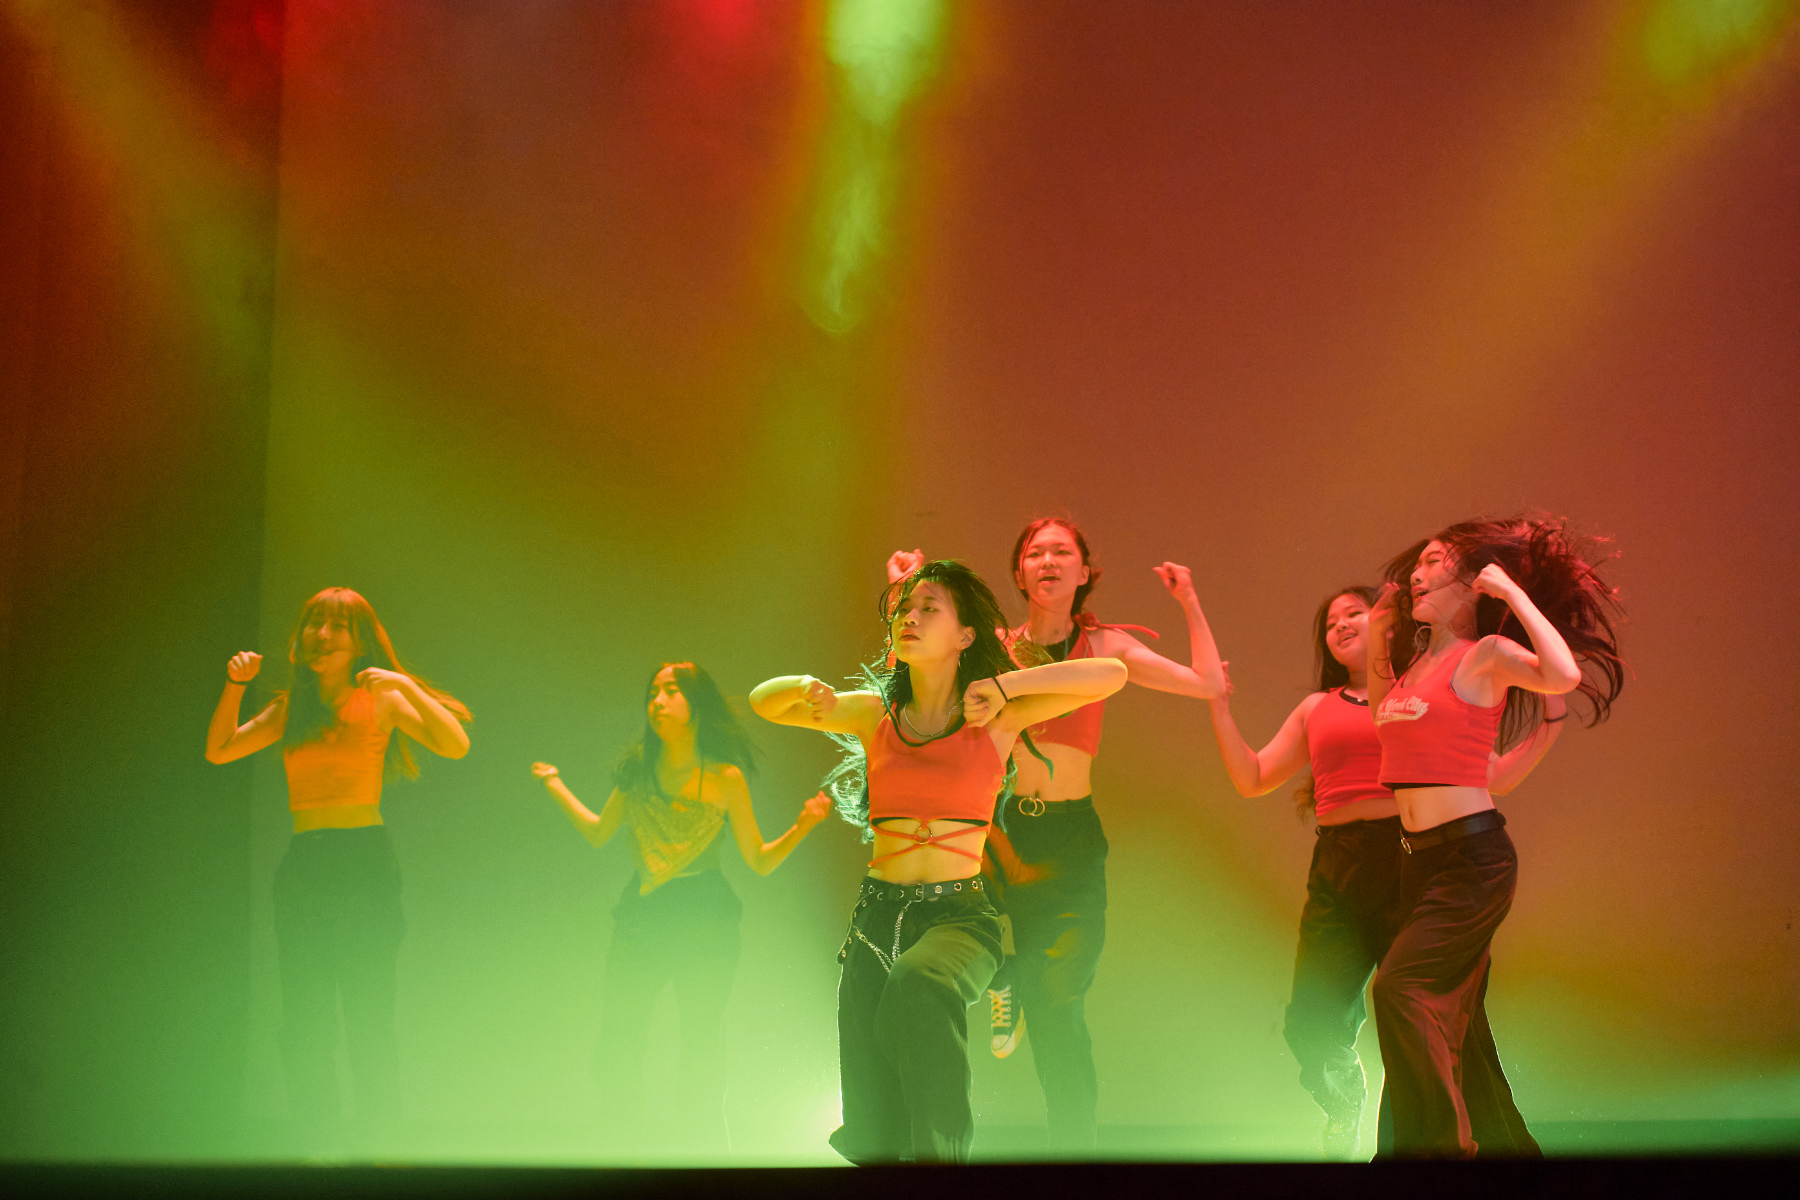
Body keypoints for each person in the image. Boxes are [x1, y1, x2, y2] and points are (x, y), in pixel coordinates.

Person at [751, 559, 1126, 1163]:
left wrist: (1007, 687)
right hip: (875, 920)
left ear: (965, 635)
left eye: (930, 609)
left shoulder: (996, 719)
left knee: (921, 982)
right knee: (871, 1126)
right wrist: (805, 687)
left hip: (959, 919)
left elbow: (1111, 675)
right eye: (905, 609)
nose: (912, 618)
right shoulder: (873, 715)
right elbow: (763, 701)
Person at [887, 518, 1223, 1152]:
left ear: (1083, 571)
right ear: (1019, 573)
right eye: (1034, 552)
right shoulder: (994, 644)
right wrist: (909, 591)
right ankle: (1001, 980)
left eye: (1061, 552)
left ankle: (1075, 1155)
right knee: (928, 945)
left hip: (1069, 842)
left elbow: (1206, 683)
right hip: (1000, 831)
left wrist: (1189, 601)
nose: (1047, 560)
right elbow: (915, 673)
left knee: (1057, 1007)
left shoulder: (1107, 646)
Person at [1203, 585, 1563, 1158]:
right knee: (1309, 1019)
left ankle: (1424, 1151)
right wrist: (1218, 704)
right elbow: (1252, 778)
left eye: (1356, 612)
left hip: (1407, 854)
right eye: (1331, 622)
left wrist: (1551, 725)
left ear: (1387, 624)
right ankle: (1345, 1095)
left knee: (1420, 1017)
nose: (1342, 624)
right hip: (1339, 863)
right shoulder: (1317, 708)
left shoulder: (1412, 697)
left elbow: (1494, 773)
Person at [1367, 517, 1624, 1157]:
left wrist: (1511, 594)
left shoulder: (1484, 655)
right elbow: (1386, 723)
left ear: (1470, 580)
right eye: (1417, 565)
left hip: (1470, 860)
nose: (1416, 574)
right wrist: (1375, 635)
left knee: (1400, 991)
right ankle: (1501, 1150)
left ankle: (1438, 1156)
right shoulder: (1417, 667)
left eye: (1433, 561)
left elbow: (1561, 676)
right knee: (1457, 1022)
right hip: (1417, 862)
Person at [204, 587, 471, 1150]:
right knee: (305, 1018)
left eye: (336, 626)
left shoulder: (380, 698)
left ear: (358, 641)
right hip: (306, 863)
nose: (321, 635)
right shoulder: (291, 708)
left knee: (369, 1013)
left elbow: (456, 744)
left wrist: (404, 685)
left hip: (364, 862)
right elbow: (220, 748)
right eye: (313, 623)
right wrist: (235, 685)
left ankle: (380, 1147)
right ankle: (315, 1147)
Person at [532, 662, 832, 1156]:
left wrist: (804, 825)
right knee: (618, 1039)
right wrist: (554, 784)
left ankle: (704, 1159)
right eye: (653, 692)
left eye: (671, 691)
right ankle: (619, 1153)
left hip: (705, 916)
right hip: (642, 913)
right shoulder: (636, 772)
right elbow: (598, 832)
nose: (658, 700)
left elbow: (758, 860)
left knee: (701, 1041)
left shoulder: (725, 778)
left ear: (696, 705)